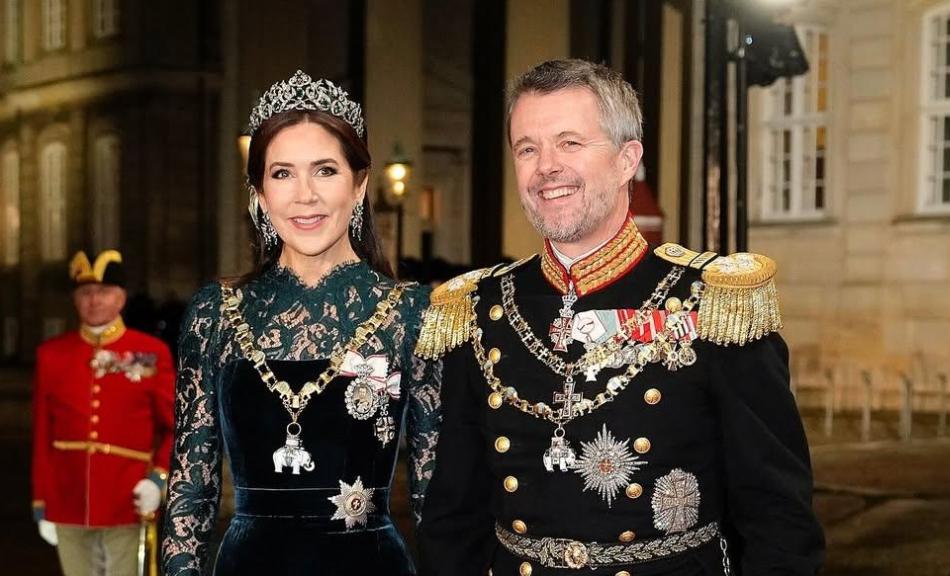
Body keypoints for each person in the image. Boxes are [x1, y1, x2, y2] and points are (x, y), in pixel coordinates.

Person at [416, 59, 825, 575]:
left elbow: (778, 517)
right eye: (527, 148)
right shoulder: (478, 308)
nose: (546, 167)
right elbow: (453, 516)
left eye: (570, 143)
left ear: (626, 159)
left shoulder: (714, 301)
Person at [161, 70, 440, 576]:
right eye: (283, 173)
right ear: (260, 195)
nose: (304, 195)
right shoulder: (215, 312)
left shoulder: (413, 312)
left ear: (359, 185)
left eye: (325, 171)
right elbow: (191, 492)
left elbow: (433, 494)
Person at [32, 249, 174, 576]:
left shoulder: (148, 353)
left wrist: (158, 479)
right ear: (75, 299)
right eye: (85, 292)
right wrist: (42, 503)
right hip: (67, 500)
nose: (94, 300)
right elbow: (43, 434)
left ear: (121, 298)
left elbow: (174, 426)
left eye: (104, 292)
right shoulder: (52, 355)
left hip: (127, 497)